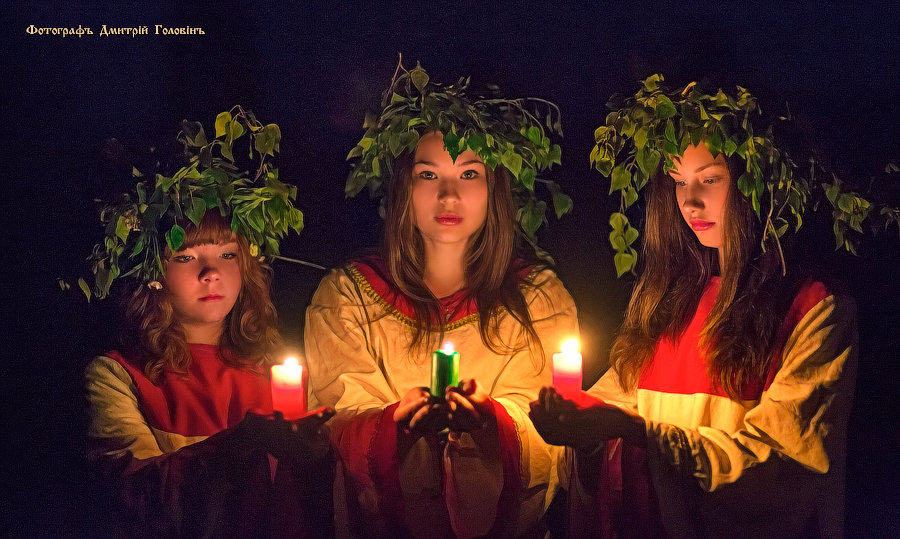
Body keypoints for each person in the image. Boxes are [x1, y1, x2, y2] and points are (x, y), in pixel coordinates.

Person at [530, 78, 861, 537]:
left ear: (756, 180)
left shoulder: (814, 311)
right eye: (679, 181)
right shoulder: (668, 302)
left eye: (710, 179)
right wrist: (580, 432)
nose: (690, 201)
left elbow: (779, 465)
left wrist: (636, 433)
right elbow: (613, 407)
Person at [304, 63, 577, 538]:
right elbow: (339, 416)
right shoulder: (348, 297)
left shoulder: (538, 300)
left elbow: (548, 434)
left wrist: (490, 424)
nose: (449, 194)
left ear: (496, 189)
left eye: (469, 173)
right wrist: (396, 428)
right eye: (429, 174)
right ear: (403, 188)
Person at [83, 110, 333, 537]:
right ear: (153, 272)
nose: (210, 273)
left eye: (227, 255)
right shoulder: (117, 377)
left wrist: (315, 455)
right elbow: (139, 501)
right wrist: (238, 445)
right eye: (186, 256)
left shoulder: (273, 367)